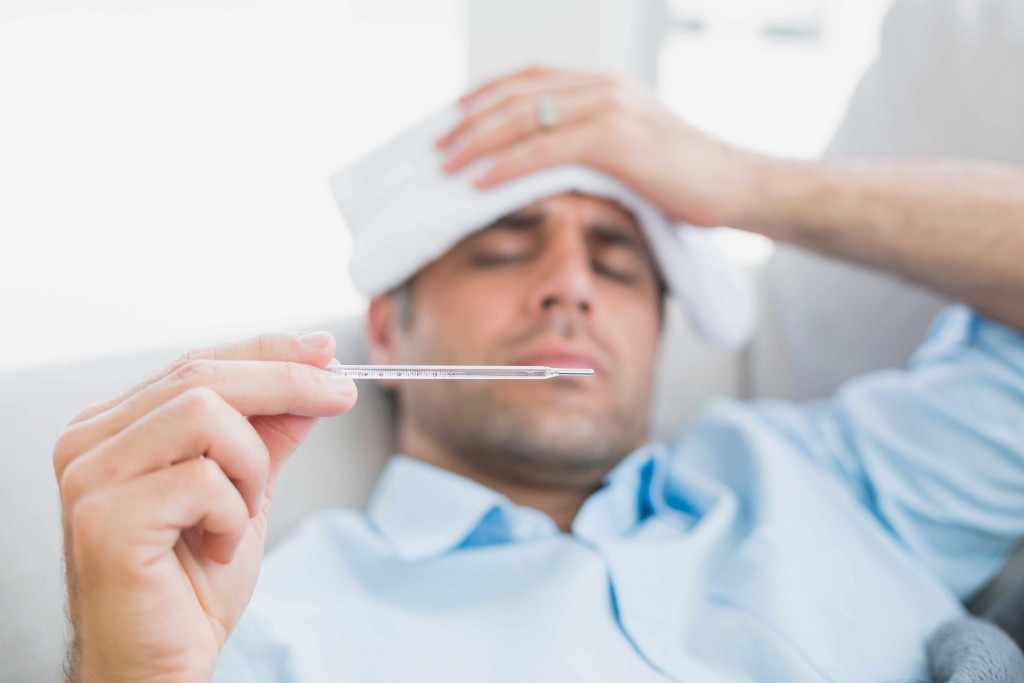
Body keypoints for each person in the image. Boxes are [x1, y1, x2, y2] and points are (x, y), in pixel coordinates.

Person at [52, 66, 1024, 683]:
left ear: (659, 328)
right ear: (388, 326)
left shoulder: (843, 477)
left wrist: (745, 186)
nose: (569, 286)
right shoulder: (257, 627)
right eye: (505, 249)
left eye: (615, 259)